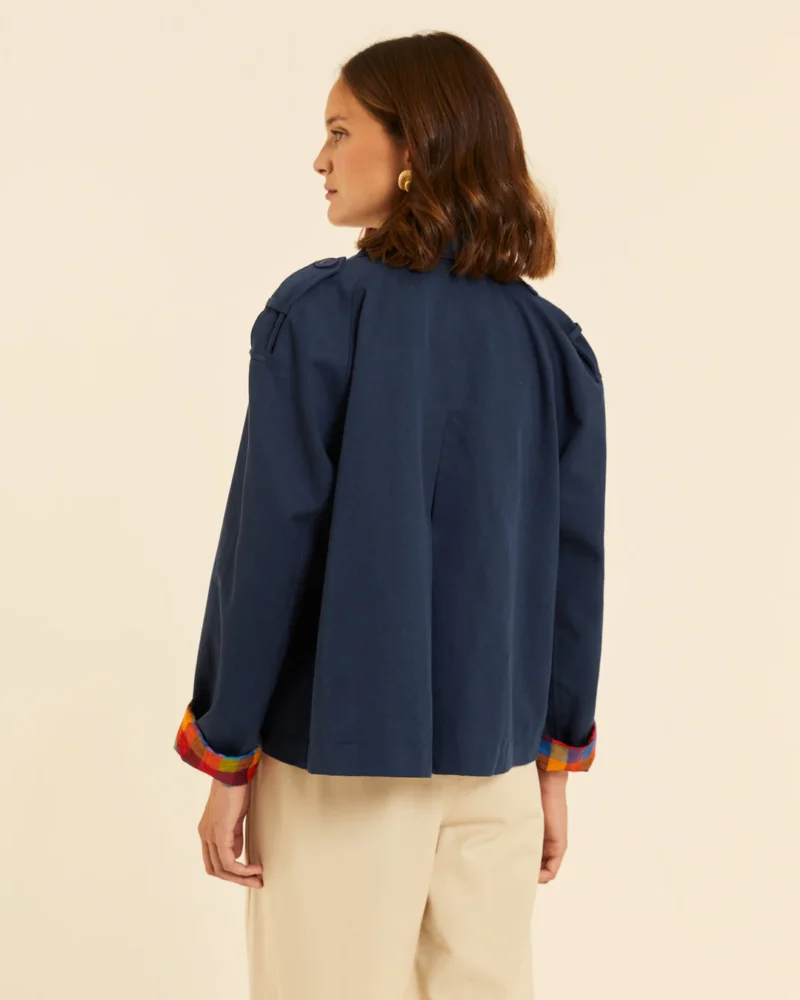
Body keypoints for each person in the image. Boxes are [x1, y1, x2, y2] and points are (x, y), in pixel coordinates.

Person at [173, 29, 606, 1000]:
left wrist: (226, 751)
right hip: (496, 772)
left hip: (339, 770)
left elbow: (266, 551)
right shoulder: (553, 347)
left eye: (339, 131)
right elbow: (574, 572)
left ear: (414, 146)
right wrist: (551, 768)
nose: (318, 159)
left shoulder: (320, 318)